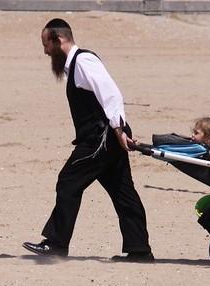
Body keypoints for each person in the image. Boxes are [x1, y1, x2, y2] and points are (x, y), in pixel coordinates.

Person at [22, 18, 153, 262]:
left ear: (58, 40)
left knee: (68, 181)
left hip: (101, 139)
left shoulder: (84, 61)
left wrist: (118, 129)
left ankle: (56, 243)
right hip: (104, 137)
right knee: (123, 191)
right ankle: (140, 250)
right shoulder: (75, 66)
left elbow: (111, 93)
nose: (45, 51)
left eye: (46, 45)